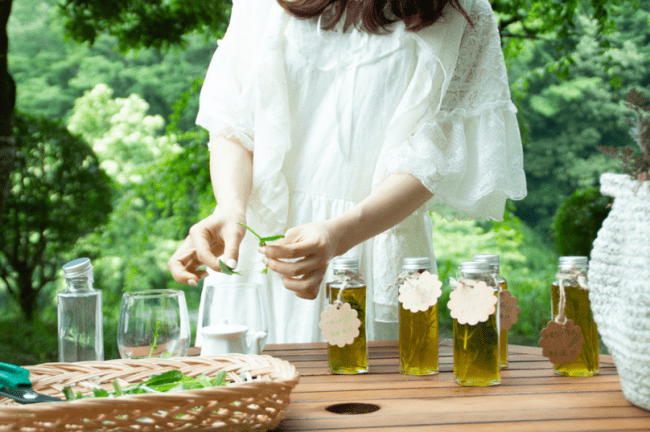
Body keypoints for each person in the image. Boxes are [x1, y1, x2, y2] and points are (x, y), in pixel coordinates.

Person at [168, 0, 527, 345]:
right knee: (244, 398)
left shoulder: (460, 11)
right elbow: (232, 123)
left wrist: (339, 236)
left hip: (370, 250)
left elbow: (438, 155)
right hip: (258, 248)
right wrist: (231, 207)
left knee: (363, 398)